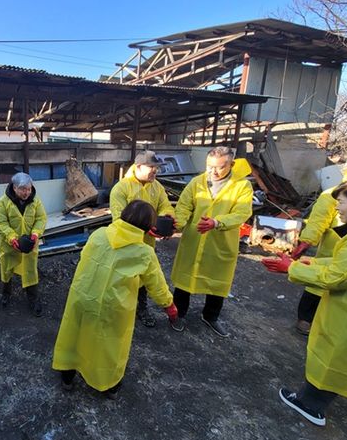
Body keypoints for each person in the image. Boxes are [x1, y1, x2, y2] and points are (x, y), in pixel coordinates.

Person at [52, 200, 178, 397]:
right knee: (109, 346)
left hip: (83, 295)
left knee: (75, 335)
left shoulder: (99, 234)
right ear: (149, 226)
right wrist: (169, 305)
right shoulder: (144, 252)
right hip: (113, 307)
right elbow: (157, 285)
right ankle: (109, 384)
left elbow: (86, 256)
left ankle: (67, 375)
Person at [262, 180, 347, 427]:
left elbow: (338, 276)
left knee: (332, 355)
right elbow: (342, 264)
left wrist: (292, 268)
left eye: (342, 203)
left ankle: (310, 404)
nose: (337, 208)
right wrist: (310, 263)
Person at [169, 146, 253, 337]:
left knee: (217, 282)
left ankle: (210, 316)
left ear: (231, 164)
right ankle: (178, 314)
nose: (213, 172)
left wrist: (217, 222)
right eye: (209, 166)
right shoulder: (197, 182)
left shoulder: (242, 186)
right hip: (195, 238)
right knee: (184, 280)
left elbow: (242, 213)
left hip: (221, 242)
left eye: (219, 167)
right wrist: (176, 225)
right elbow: (184, 207)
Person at [291, 156, 347, 335]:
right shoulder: (334, 194)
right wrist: (307, 241)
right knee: (317, 281)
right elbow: (318, 220)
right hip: (332, 246)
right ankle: (305, 318)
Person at [109, 150, 175, 327]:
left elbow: (165, 205)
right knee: (124, 279)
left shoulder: (157, 187)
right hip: (125, 245)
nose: (155, 171)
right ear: (138, 167)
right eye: (151, 167)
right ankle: (120, 311)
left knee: (145, 278)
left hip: (147, 245)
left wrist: (167, 218)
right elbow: (118, 220)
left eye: (157, 168)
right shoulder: (121, 188)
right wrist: (146, 229)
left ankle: (141, 309)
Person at [0, 172, 47, 317]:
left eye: (29, 189)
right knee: (7, 270)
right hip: (9, 245)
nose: (27, 192)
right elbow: (0, 223)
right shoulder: (3, 202)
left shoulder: (35, 201)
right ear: (15, 188)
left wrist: (35, 234)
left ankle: (33, 299)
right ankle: (6, 294)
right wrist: (12, 238)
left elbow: (41, 218)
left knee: (30, 270)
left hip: (29, 244)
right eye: (23, 189)